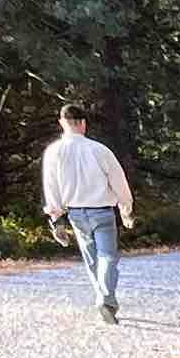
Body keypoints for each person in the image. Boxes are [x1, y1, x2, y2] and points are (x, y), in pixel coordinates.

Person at [38, 105, 134, 323]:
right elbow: (119, 181)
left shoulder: (53, 151)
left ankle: (102, 296)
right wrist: (126, 208)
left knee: (91, 259)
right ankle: (106, 300)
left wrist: (56, 219)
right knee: (107, 256)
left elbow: (51, 187)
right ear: (83, 123)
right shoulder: (99, 150)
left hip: (76, 213)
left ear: (62, 123)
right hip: (102, 211)